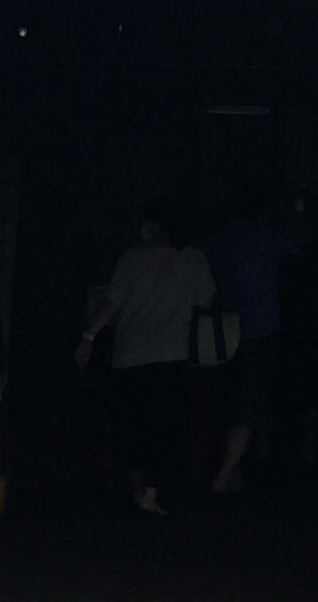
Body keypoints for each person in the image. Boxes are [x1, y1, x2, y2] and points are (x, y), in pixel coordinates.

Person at [74, 202, 214, 517]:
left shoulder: (131, 259)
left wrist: (88, 337)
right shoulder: (192, 259)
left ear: (155, 226)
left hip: (130, 357)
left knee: (131, 426)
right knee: (163, 427)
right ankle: (150, 491)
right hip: (171, 356)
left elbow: (112, 302)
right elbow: (206, 299)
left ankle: (139, 488)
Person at [209, 198, 302, 498]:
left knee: (232, 400)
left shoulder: (222, 241)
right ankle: (225, 474)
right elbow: (298, 244)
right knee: (249, 403)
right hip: (260, 331)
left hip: (224, 328)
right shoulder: (267, 239)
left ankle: (232, 470)